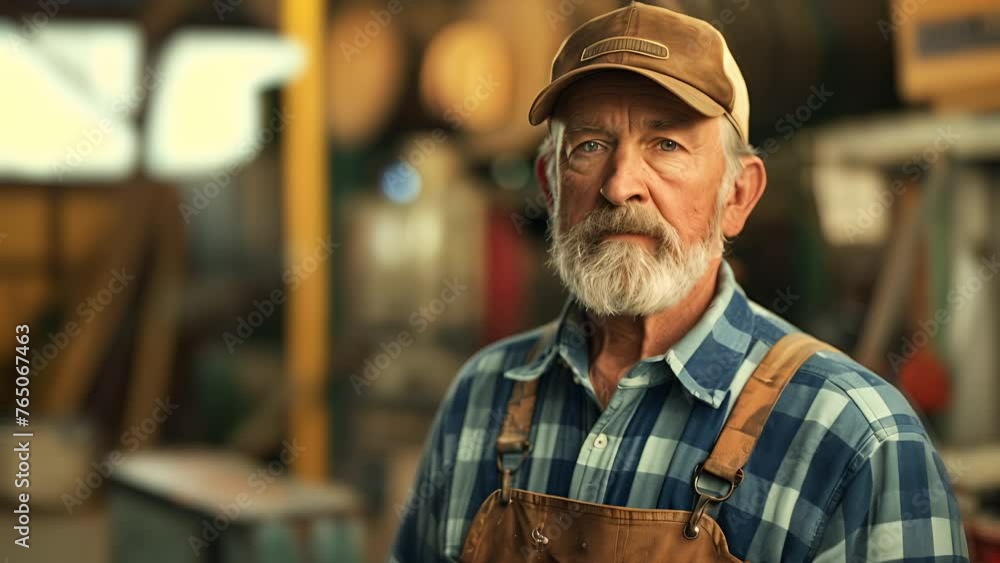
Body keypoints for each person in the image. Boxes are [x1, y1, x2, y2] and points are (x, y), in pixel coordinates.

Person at [390, 2, 968, 561]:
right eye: (590, 145)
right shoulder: (481, 397)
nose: (620, 186)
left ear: (737, 195)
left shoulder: (855, 436)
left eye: (666, 144)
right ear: (550, 183)